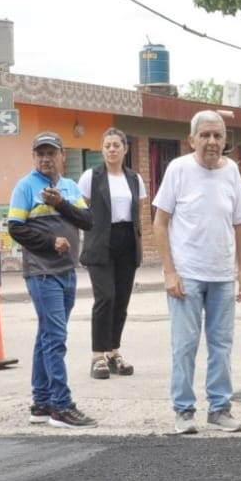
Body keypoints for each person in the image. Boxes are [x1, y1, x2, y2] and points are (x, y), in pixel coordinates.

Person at [152, 111, 241, 434]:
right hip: (187, 275)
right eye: (205, 135)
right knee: (184, 345)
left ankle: (220, 408)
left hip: (223, 275)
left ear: (225, 141)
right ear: (191, 139)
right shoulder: (178, 169)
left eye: (218, 136)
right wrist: (169, 271)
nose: (212, 142)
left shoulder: (232, 171)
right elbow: (160, 222)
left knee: (221, 345)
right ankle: (184, 411)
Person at [7, 133, 96, 429]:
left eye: (51, 153)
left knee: (46, 336)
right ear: (34, 156)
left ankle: (41, 403)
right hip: (43, 272)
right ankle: (62, 406)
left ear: (62, 155)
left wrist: (61, 205)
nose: (46, 159)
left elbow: (87, 221)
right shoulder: (25, 186)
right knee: (55, 339)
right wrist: (50, 241)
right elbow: (16, 229)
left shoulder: (69, 187)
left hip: (67, 272)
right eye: (40, 153)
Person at [78, 128, 146, 380]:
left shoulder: (134, 178)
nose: (112, 149)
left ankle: (113, 351)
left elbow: (138, 212)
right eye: (107, 145)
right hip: (100, 242)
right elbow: (79, 208)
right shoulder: (91, 177)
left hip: (126, 240)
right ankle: (97, 356)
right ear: (102, 149)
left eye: (117, 145)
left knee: (121, 301)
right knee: (105, 297)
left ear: (125, 148)